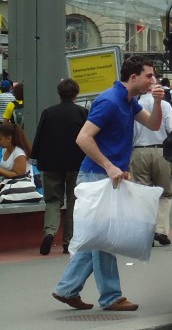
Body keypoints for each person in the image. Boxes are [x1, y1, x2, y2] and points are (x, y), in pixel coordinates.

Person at [51, 57, 163, 312]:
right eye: (148, 76)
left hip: (106, 176)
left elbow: (154, 125)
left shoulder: (129, 101)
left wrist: (157, 101)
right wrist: (110, 166)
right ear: (133, 77)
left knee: (99, 238)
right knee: (105, 239)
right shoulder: (110, 101)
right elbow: (83, 138)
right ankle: (111, 297)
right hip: (97, 177)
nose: (152, 80)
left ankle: (67, 288)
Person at [30, 78, 89, 255]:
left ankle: (49, 232)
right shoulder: (82, 113)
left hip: (51, 163)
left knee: (52, 200)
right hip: (75, 163)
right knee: (73, 201)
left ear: (59, 94)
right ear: (76, 94)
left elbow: (39, 136)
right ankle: (68, 241)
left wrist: (35, 158)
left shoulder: (48, 113)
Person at [130, 86, 172, 247]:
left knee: (143, 194)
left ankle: (146, 232)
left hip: (138, 152)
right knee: (164, 193)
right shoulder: (165, 106)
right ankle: (161, 230)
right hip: (161, 151)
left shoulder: (133, 106)